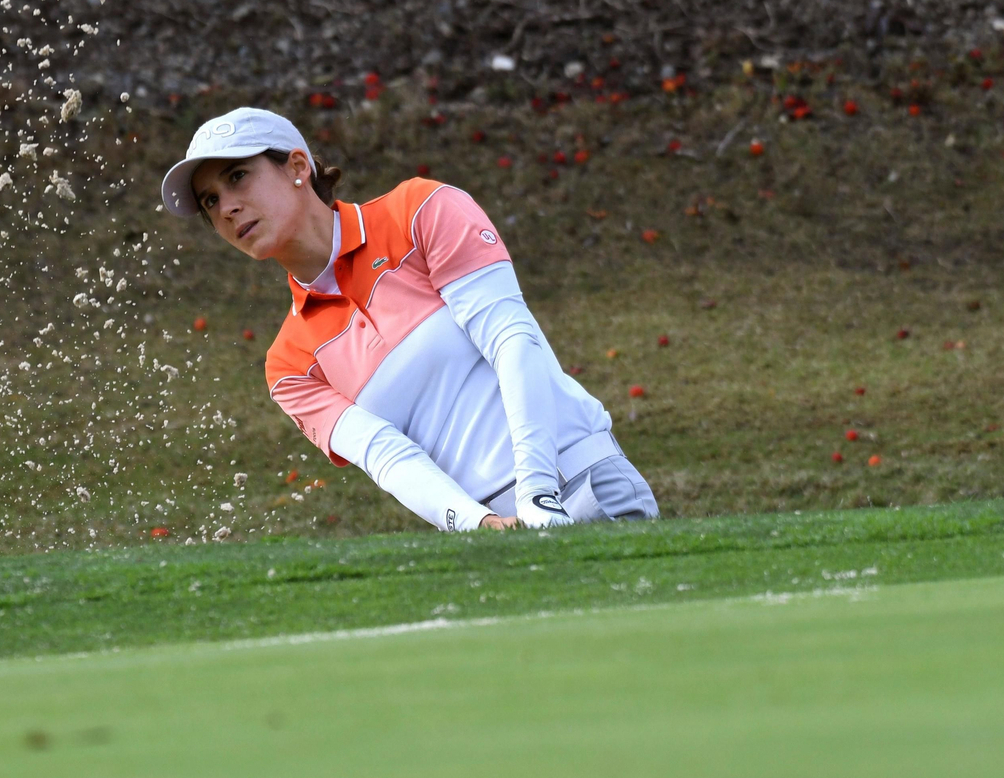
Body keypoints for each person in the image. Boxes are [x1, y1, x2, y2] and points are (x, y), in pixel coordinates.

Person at [161, 107, 659, 531]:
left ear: (297, 167)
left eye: (237, 176)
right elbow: (386, 456)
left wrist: (537, 493)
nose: (227, 208)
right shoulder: (289, 364)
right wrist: (480, 526)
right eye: (210, 201)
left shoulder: (419, 211)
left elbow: (513, 340)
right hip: (495, 527)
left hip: (576, 474)